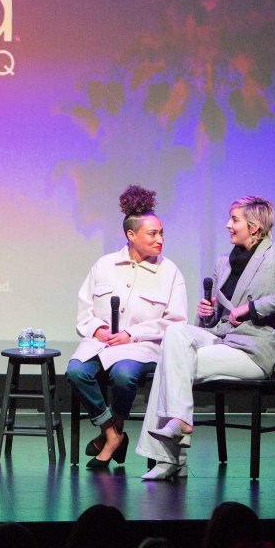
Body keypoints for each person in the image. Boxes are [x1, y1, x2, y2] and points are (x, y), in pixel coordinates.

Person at [137, 196, 275, 480]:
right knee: (176, 333)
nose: (228, 225)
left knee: (172, 365)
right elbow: (214, 321)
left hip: (252, 351)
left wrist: (251, 307)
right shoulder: (223, 263)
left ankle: (170, 459)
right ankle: (179, 423)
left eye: (235, 220)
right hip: (221, 341)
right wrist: (206, 314)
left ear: (254, 227)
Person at [66, 186, 187, 469]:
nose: (160, 240)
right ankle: (111, 434)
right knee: (76, 371)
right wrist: (98, 330)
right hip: (103, 343)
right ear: (131, 235)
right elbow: (84, 309)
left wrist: (133, 334)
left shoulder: (169, 271)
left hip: (142, 347)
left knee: (123, 375)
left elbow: (176, 321)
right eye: (153, 234)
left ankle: (111, 435)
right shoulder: (105, 265)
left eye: (161, 233)